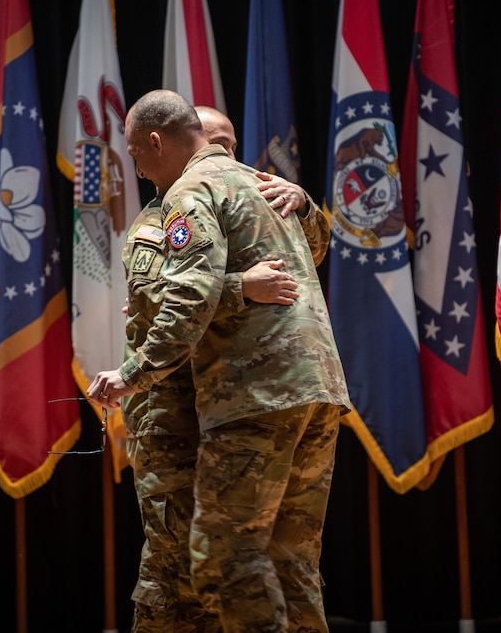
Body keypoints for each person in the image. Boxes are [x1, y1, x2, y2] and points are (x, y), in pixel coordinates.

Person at [91, 90, 350, 632]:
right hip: (230, 405)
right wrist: (240, 288)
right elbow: (165, 297)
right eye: (219, 145)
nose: (232, 158)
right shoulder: (182, 207)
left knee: (229, 562)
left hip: (246, 396)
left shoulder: (222, 190)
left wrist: (304, 203)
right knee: (257, 565)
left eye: (137, 155)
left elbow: (191, 296)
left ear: (158, 142)